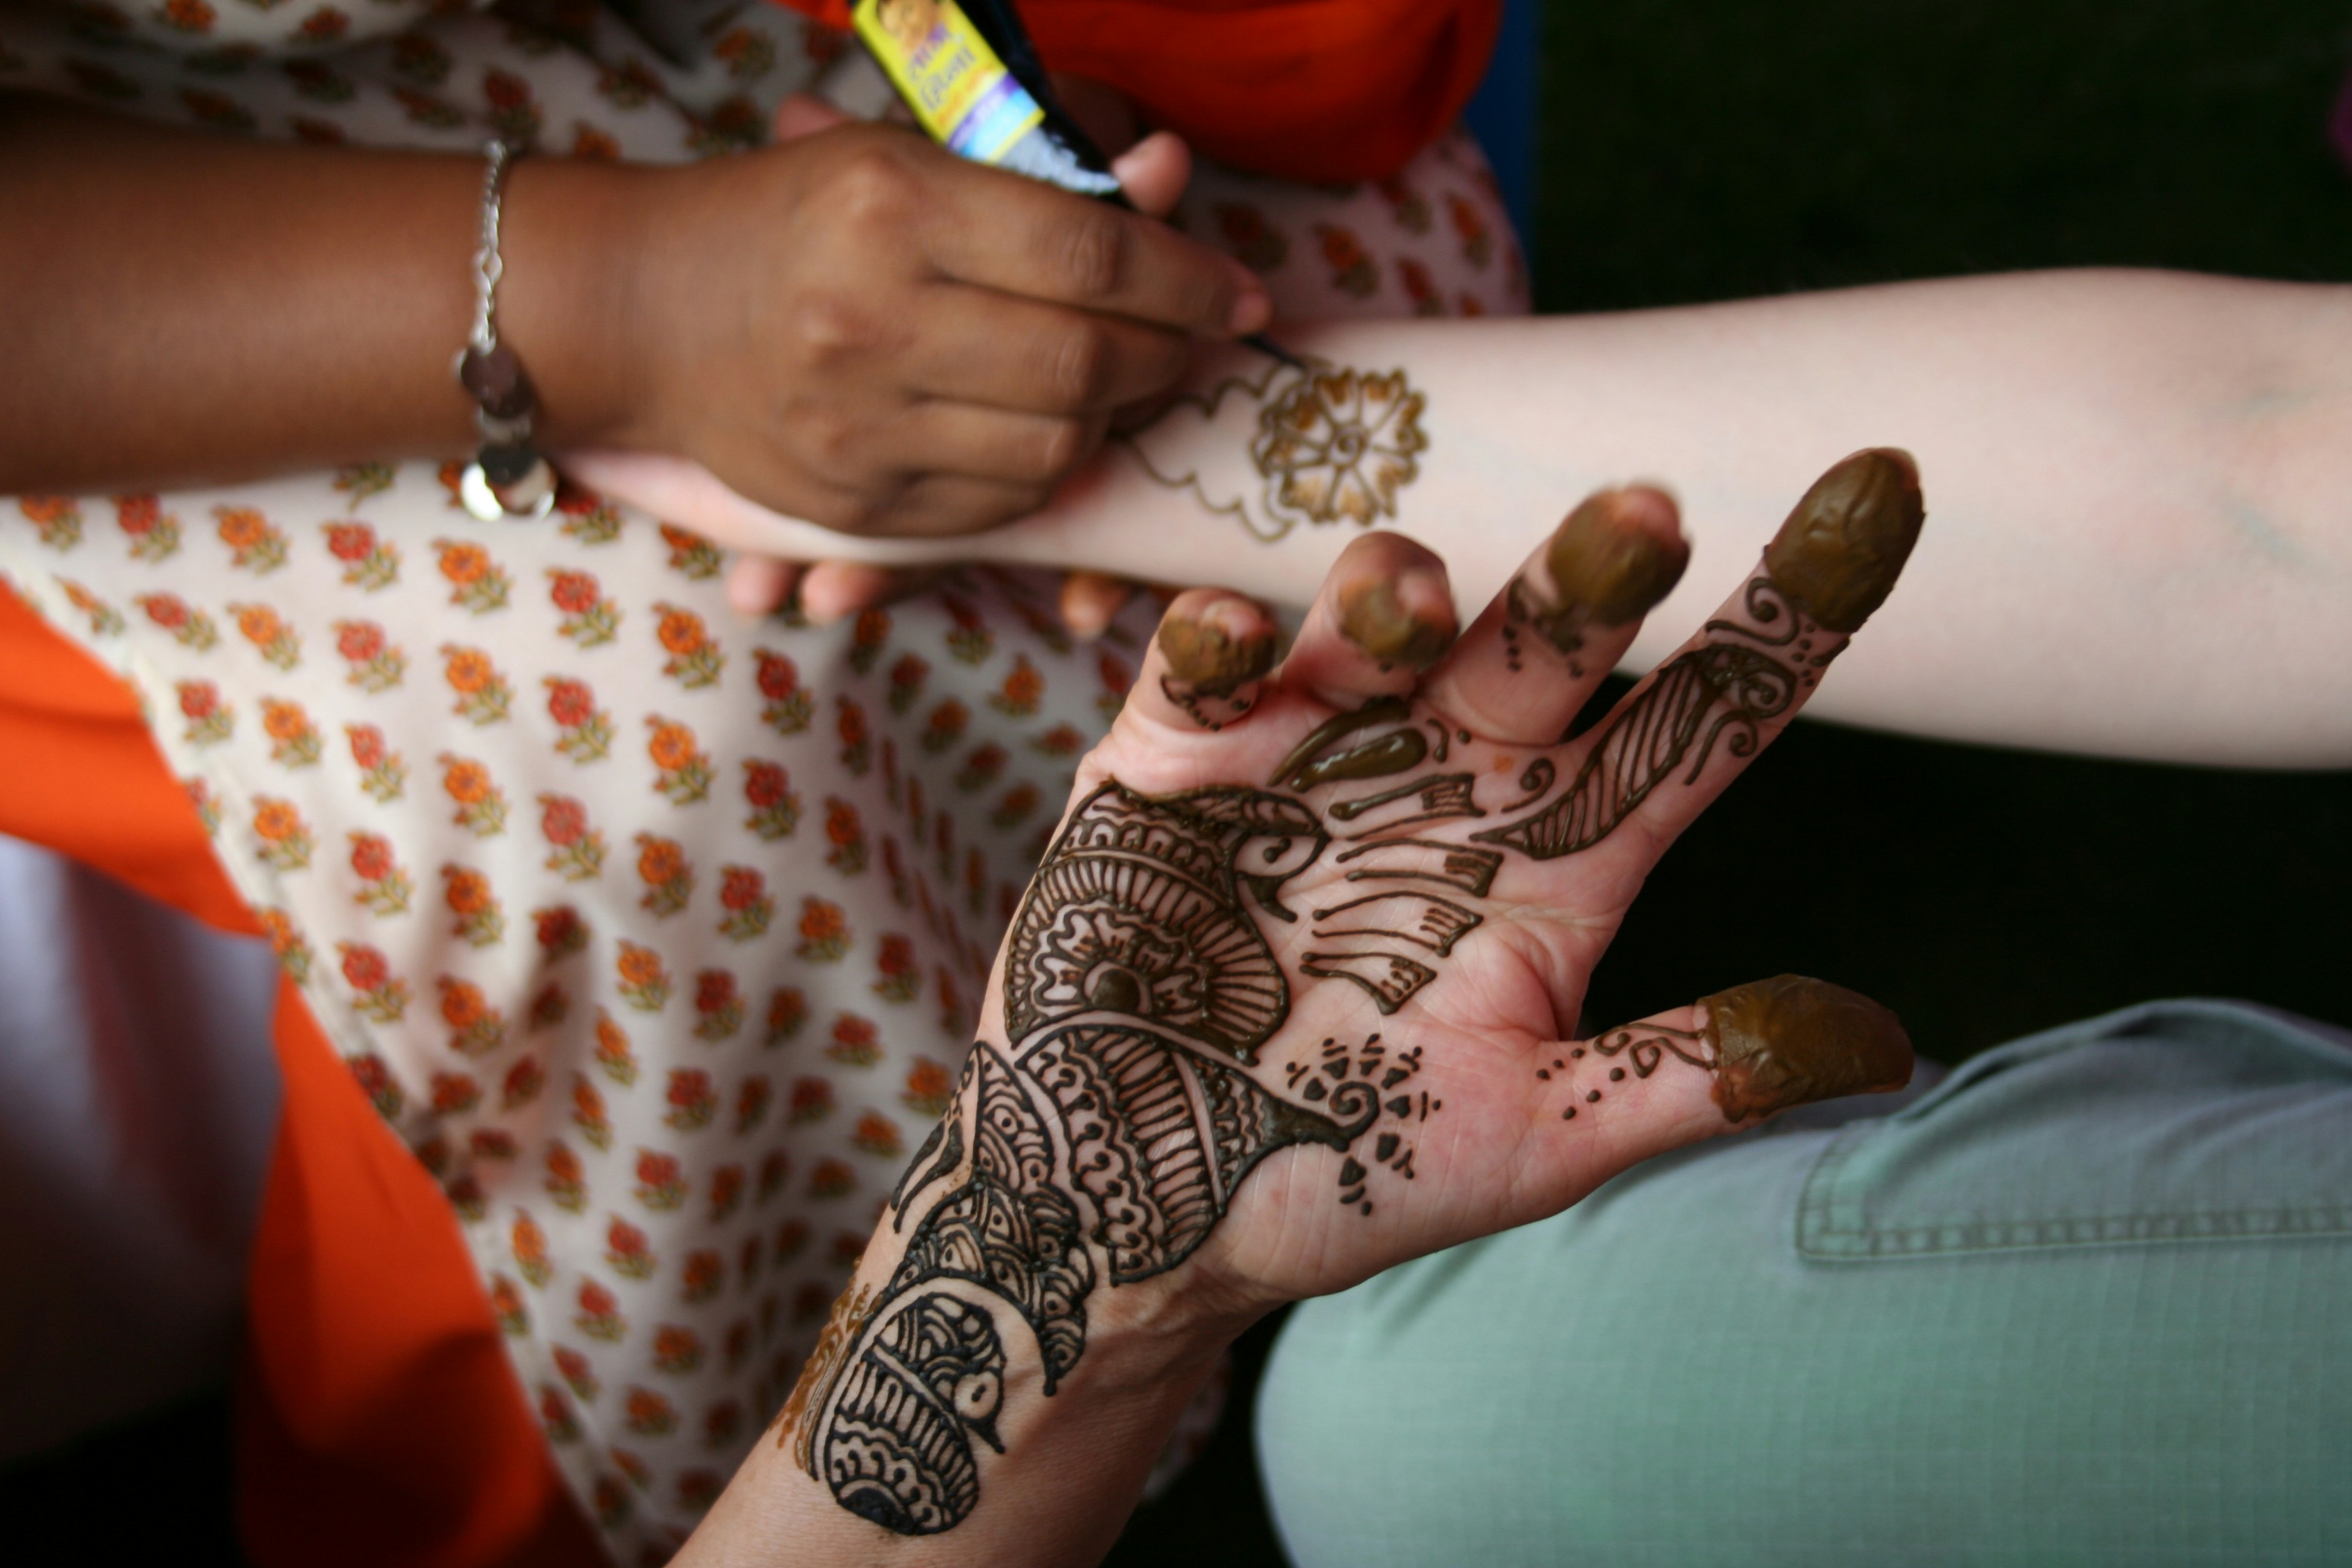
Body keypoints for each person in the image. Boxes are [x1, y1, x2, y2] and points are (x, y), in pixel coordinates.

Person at [0, 0, 1515, 1561]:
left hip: (741, 75)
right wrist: (642, 305)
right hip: (123, 259)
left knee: (1338, 371)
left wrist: (1052, 94)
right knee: (646, 781)